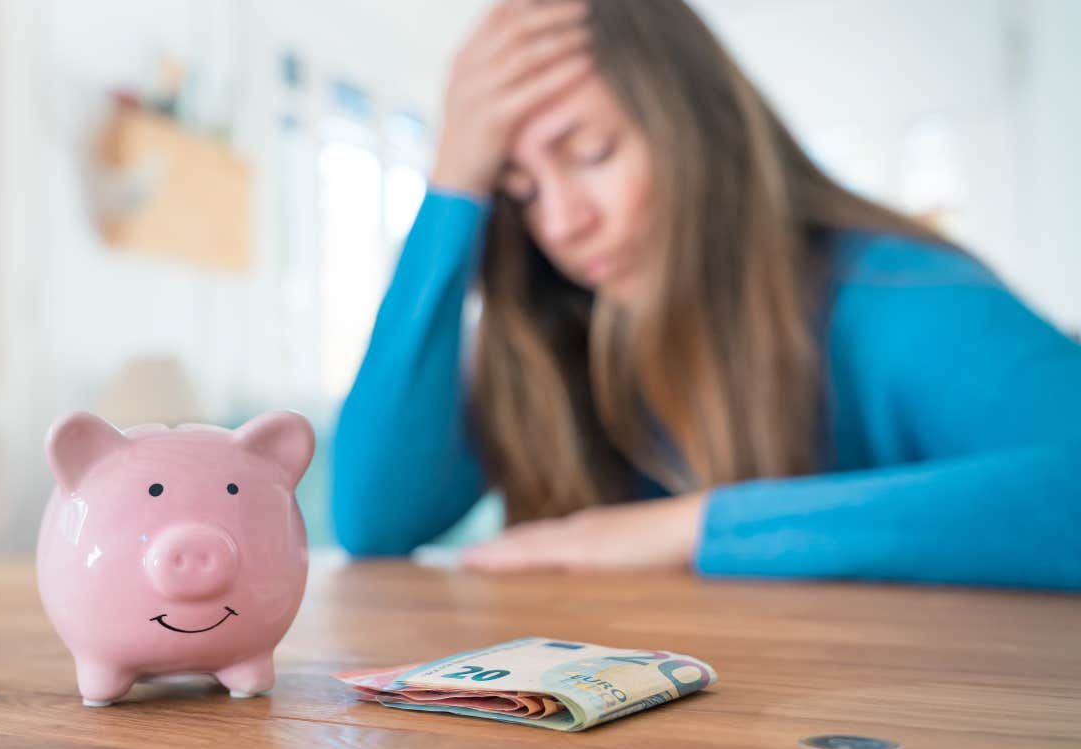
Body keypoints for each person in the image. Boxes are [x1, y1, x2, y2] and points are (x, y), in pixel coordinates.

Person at [330, 0, 1081, 589]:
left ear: (698, 123)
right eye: (520, 192)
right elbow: (373, 517)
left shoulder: (890, 293)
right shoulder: (564, 324)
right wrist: (454, 186)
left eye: (592, 153)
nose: (561, 225)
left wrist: (690, 529)